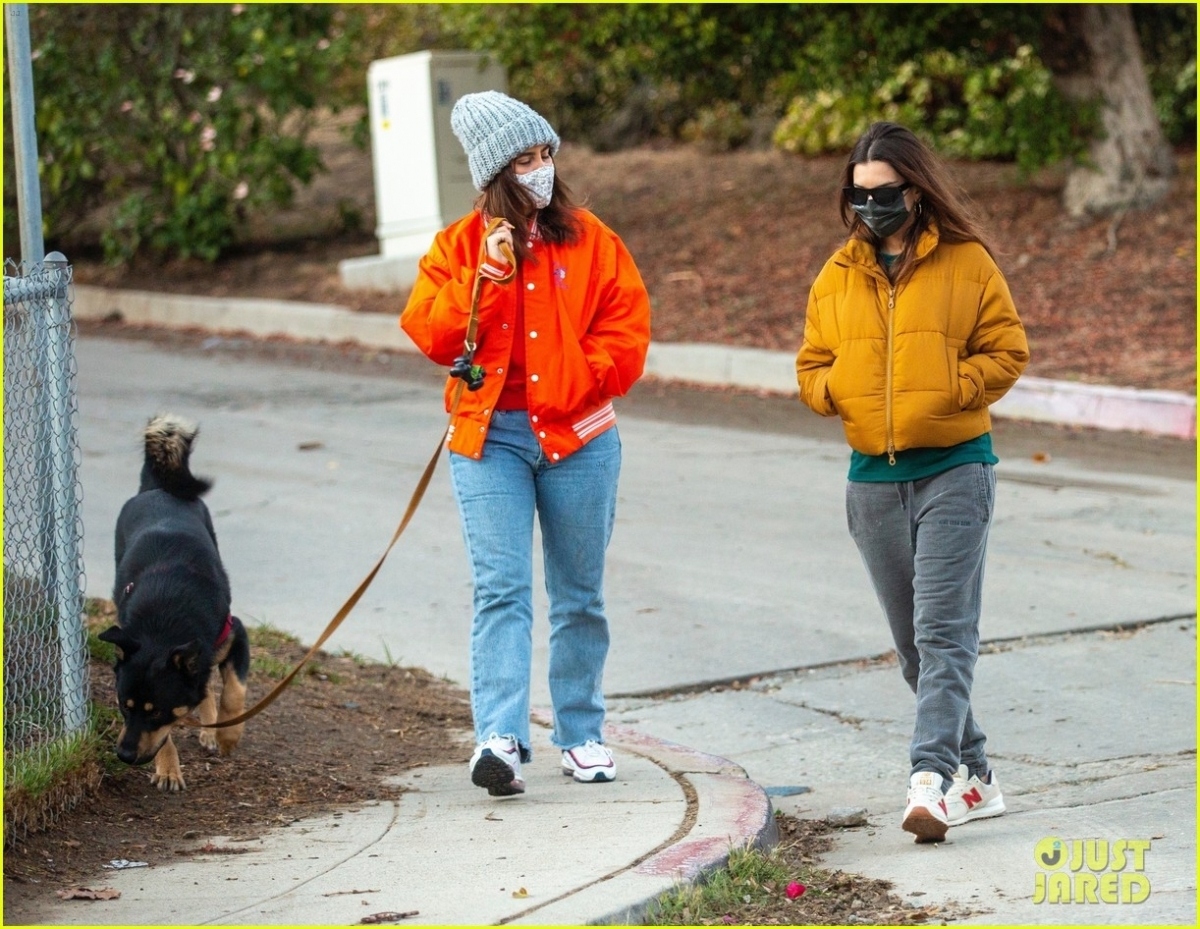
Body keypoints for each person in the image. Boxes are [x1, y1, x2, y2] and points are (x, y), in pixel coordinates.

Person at [400, 91, 652, 797]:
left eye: (545, 155)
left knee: (579, 595)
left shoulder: (592, 238)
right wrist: (484, 276)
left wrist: (577, 380)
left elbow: (626, 333)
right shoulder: (458, 247)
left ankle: (581, 732)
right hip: (490, 440)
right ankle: (500, 738)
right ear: (494, 174)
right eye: (524, 160)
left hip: (580, 438)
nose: (540, 170)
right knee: (501, 589)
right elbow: (433, 335)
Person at [796, 121, 1029, 843]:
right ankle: (980, 776)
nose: (871, 209)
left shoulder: (968, 263)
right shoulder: (838, 274)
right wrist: (838, 390)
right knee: (915, 648)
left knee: (944, 634)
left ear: (917, 191)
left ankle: (929, 778)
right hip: (872, 482)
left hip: (956, 469)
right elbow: (810, 367)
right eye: (859, 196)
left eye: (886, 194)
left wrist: (953, 384)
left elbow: (1009, 349)